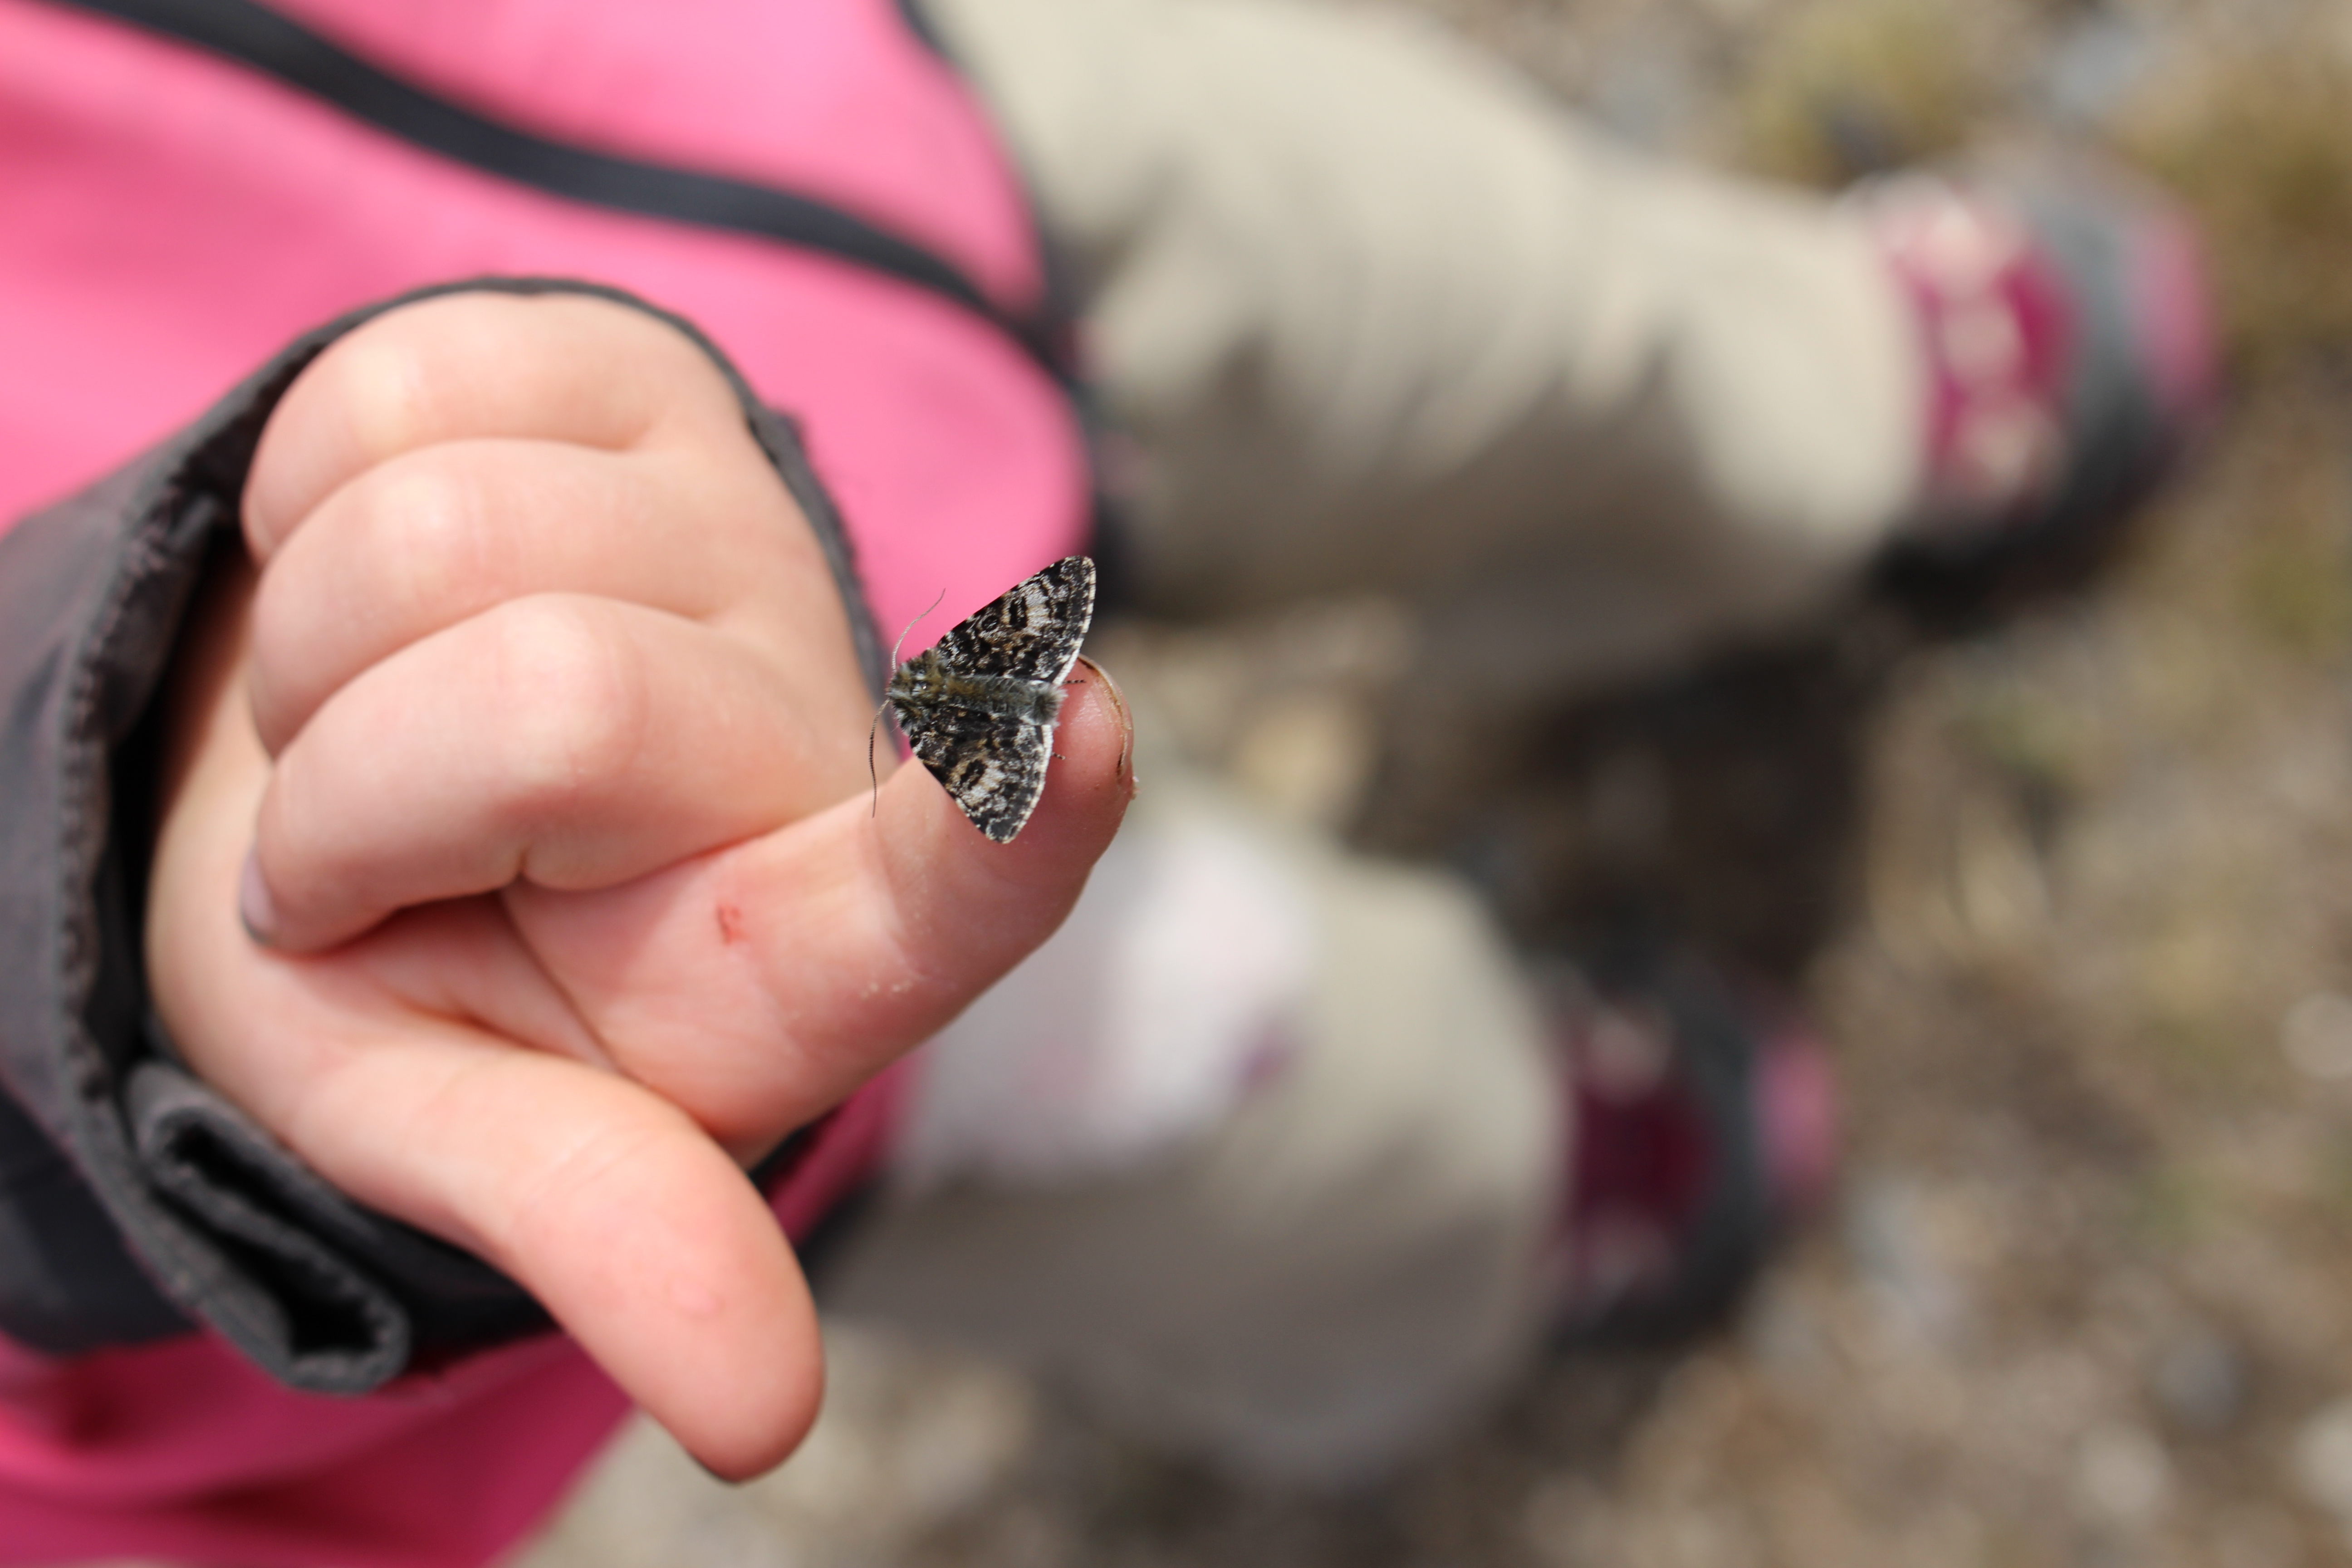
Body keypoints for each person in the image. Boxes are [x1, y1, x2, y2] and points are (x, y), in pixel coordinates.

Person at [0, 0, 2213, 1562]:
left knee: (1469, 286)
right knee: (1224, 1086)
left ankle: (1816, 397)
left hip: (790, 125)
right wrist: (79, 946)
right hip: (659, 1000)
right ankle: (1515, 1174)